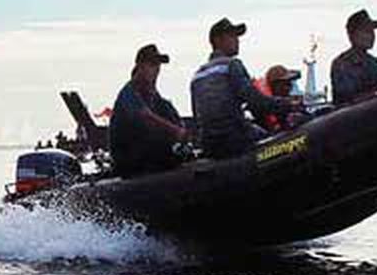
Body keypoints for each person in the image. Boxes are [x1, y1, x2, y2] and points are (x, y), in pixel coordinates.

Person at [190, 18, 301, 159]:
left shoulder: (197, 76)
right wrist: (289, 104)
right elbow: (256, 101)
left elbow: (198, 118)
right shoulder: (231, 65)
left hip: (209, 145)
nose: (237, 40)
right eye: (231, 36)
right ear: (217, 40)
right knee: (275, 142)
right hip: (234, 141)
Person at [109, 44, 187, 177]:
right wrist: (176, 131)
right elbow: (145, 116)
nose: (156, 70)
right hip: (129, 159)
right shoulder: (129, 92)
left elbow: (166, 112)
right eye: (152, 65)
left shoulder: (153, 96)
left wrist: (181, 130)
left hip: (146, 155)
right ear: (140, 66)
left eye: (158, 66)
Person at [330, 9, 377, 105]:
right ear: (352, 35)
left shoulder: (374, 63)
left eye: (372, 31)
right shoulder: (341, 64)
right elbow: (349, 100)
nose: (372, 36)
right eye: (366, 31)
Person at [258, 65, 302, 132]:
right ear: (274, 85)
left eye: (290, 84)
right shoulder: (263, 107)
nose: (289, 88)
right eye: (285, 84)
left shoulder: (289, 103)